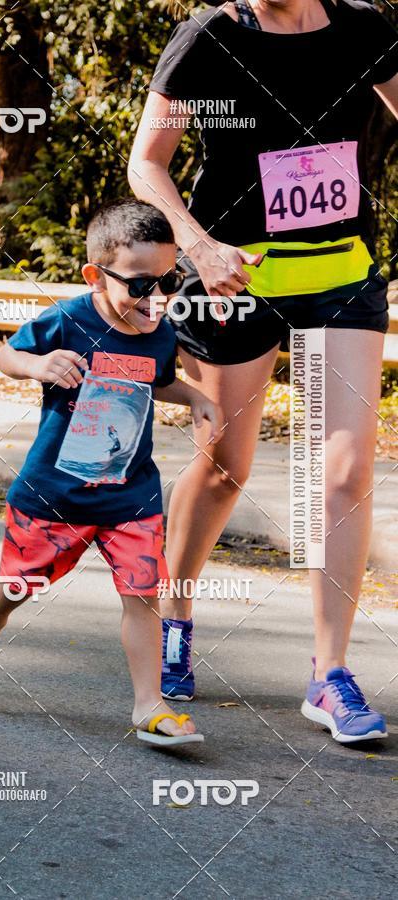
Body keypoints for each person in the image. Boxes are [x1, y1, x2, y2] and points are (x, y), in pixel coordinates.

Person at [129, 0, 398, 742]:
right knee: (224, 467)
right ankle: (174, 619)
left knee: (344, 471)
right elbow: (146, 162)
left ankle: (330, 673)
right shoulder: (209, 38)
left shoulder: (366, 31)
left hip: (342, 272)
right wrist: (199, 246)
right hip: (235, 274)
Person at [0, 199, 222, 746]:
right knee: (23, 583)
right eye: (142, 285)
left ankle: (150, 706)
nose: (157, 298)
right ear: (97, 275)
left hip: (131, 494)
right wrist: (39, 365)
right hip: (55, 493)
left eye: (170, 282)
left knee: (142, 593)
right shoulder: (69, 319)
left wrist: (194, 396)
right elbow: (7, 355)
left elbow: (155, 379)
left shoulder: (161, 331)